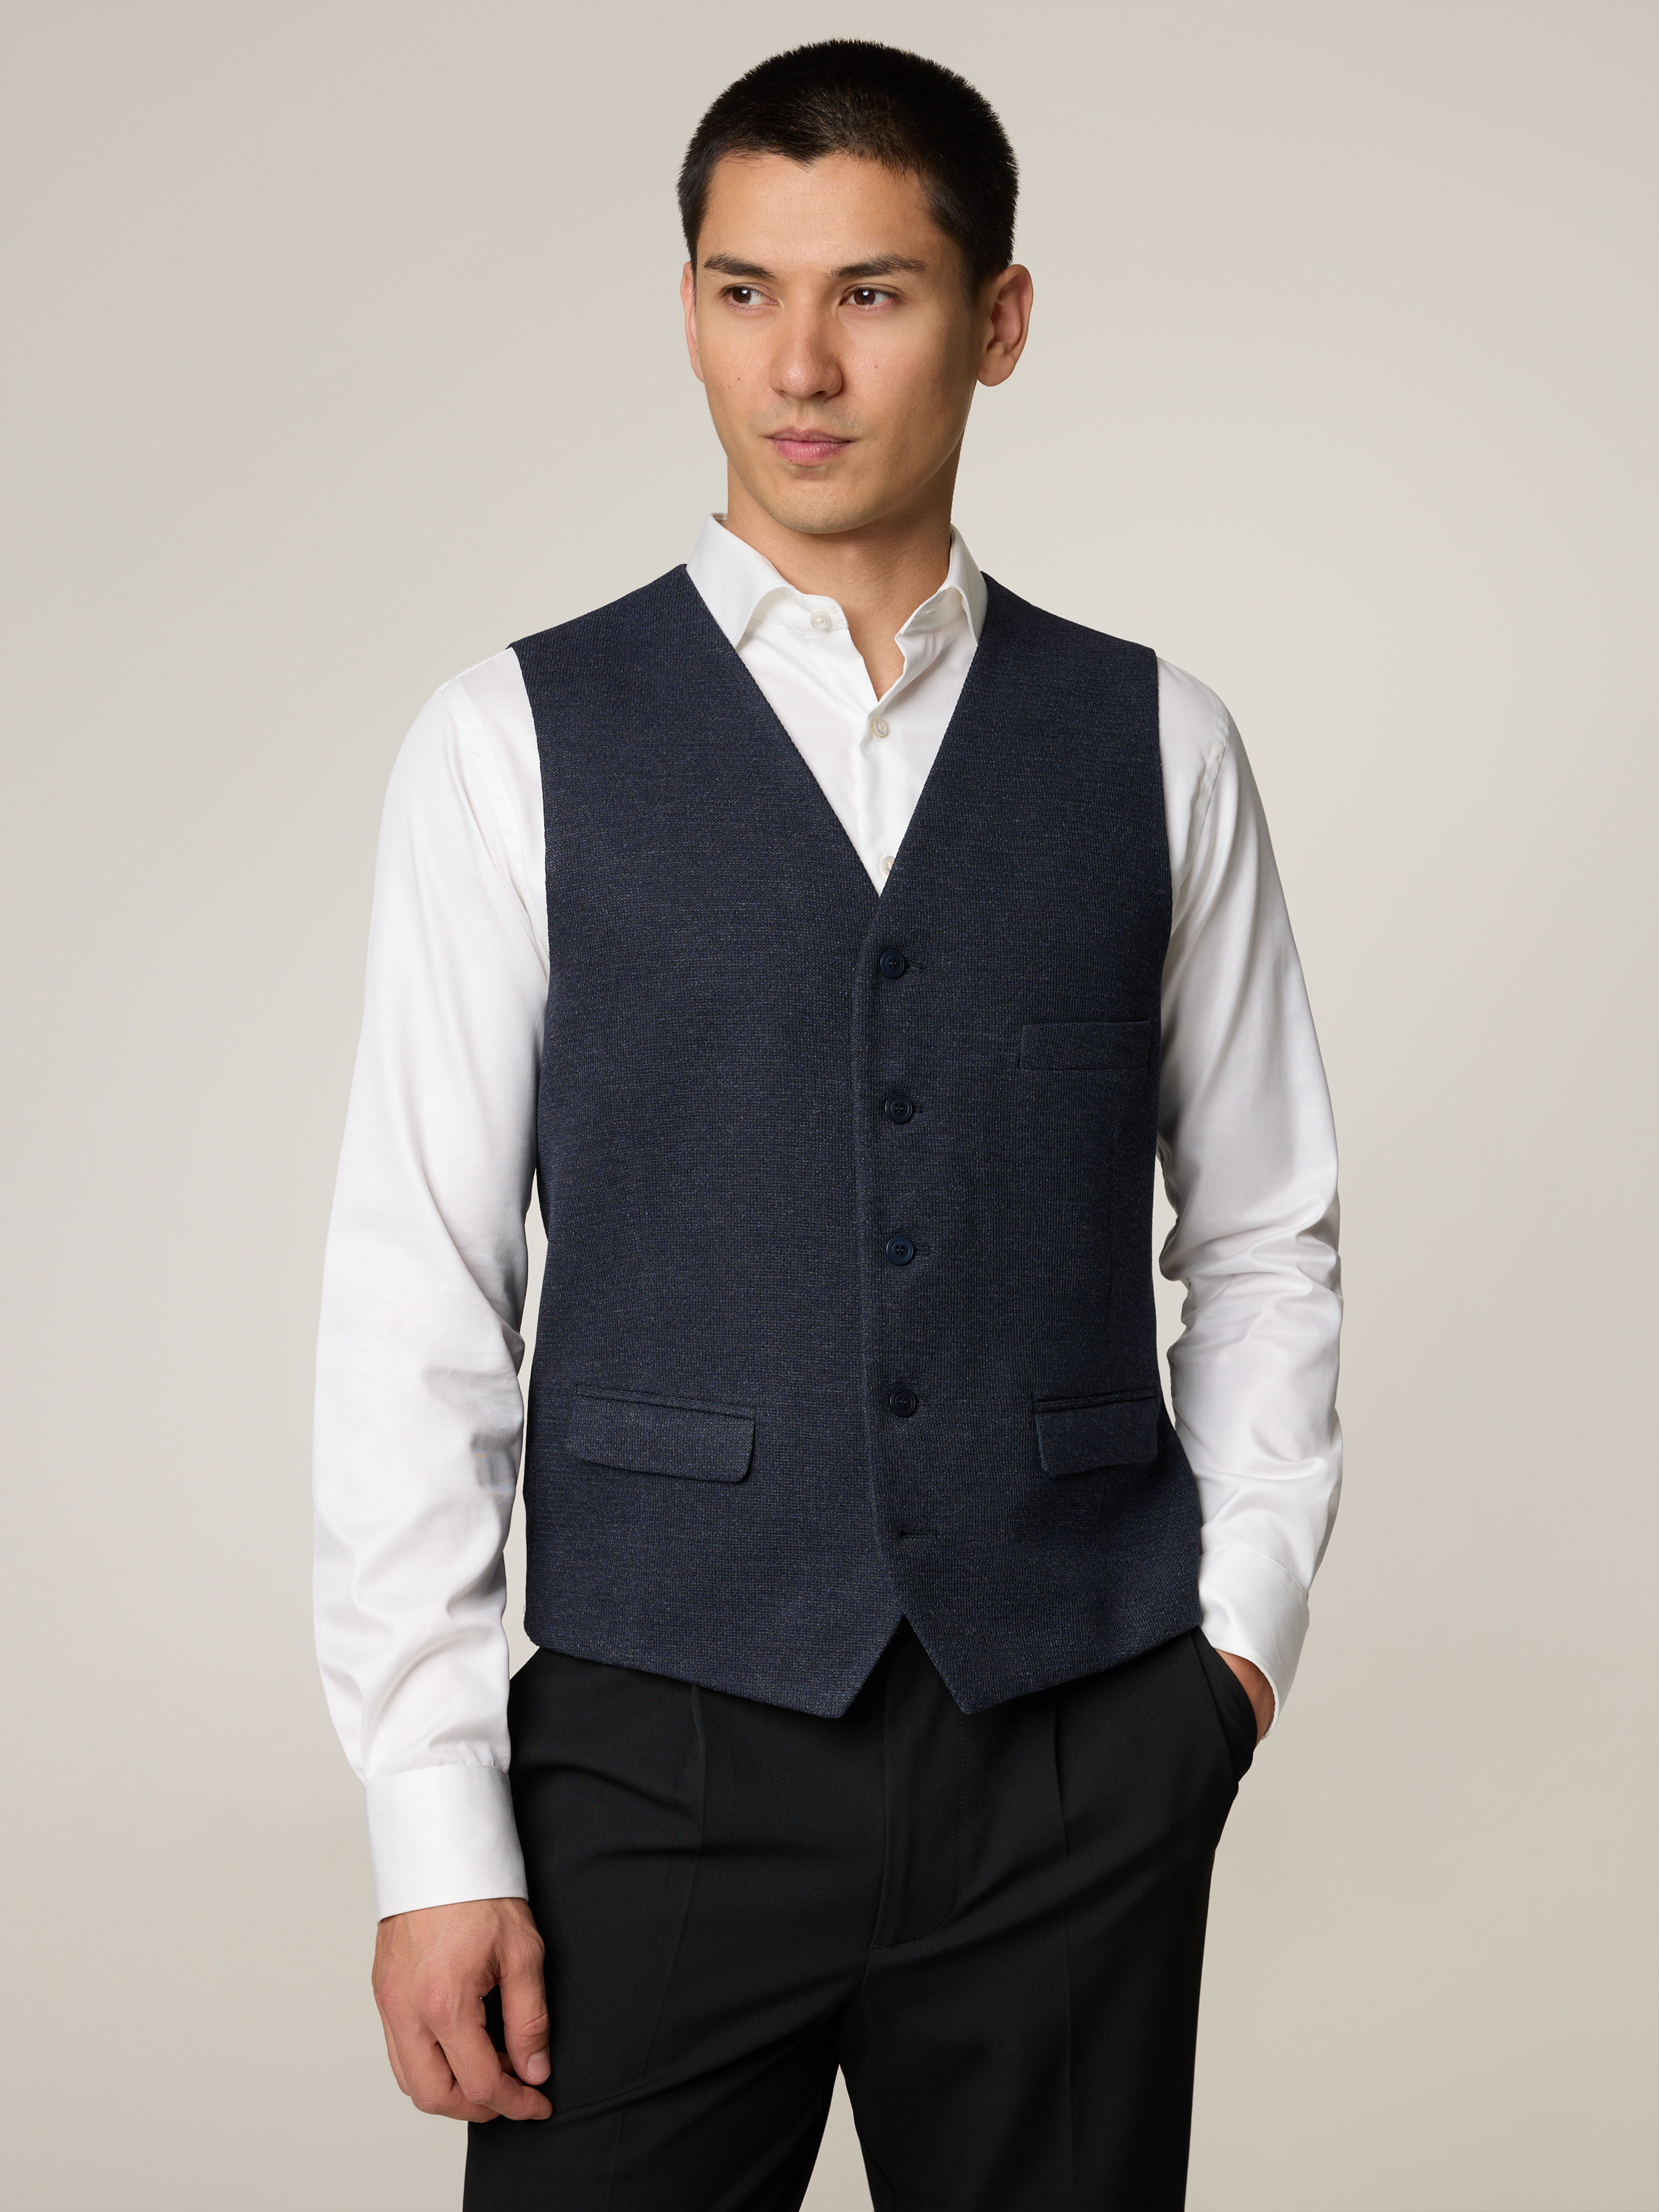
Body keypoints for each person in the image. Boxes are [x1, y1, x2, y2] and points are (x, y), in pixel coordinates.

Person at [314, 38, 1342, 2210]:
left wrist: (1230, 1650)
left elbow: (1264, 1228)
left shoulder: (1157, 741)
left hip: (1072, 1738)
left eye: (870, 292)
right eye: (742, 289)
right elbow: (418, 1287)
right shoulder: (508, 741)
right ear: (686, 309)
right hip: (653, 1743)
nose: (798, 364)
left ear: (997, 319)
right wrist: (430, 1817)